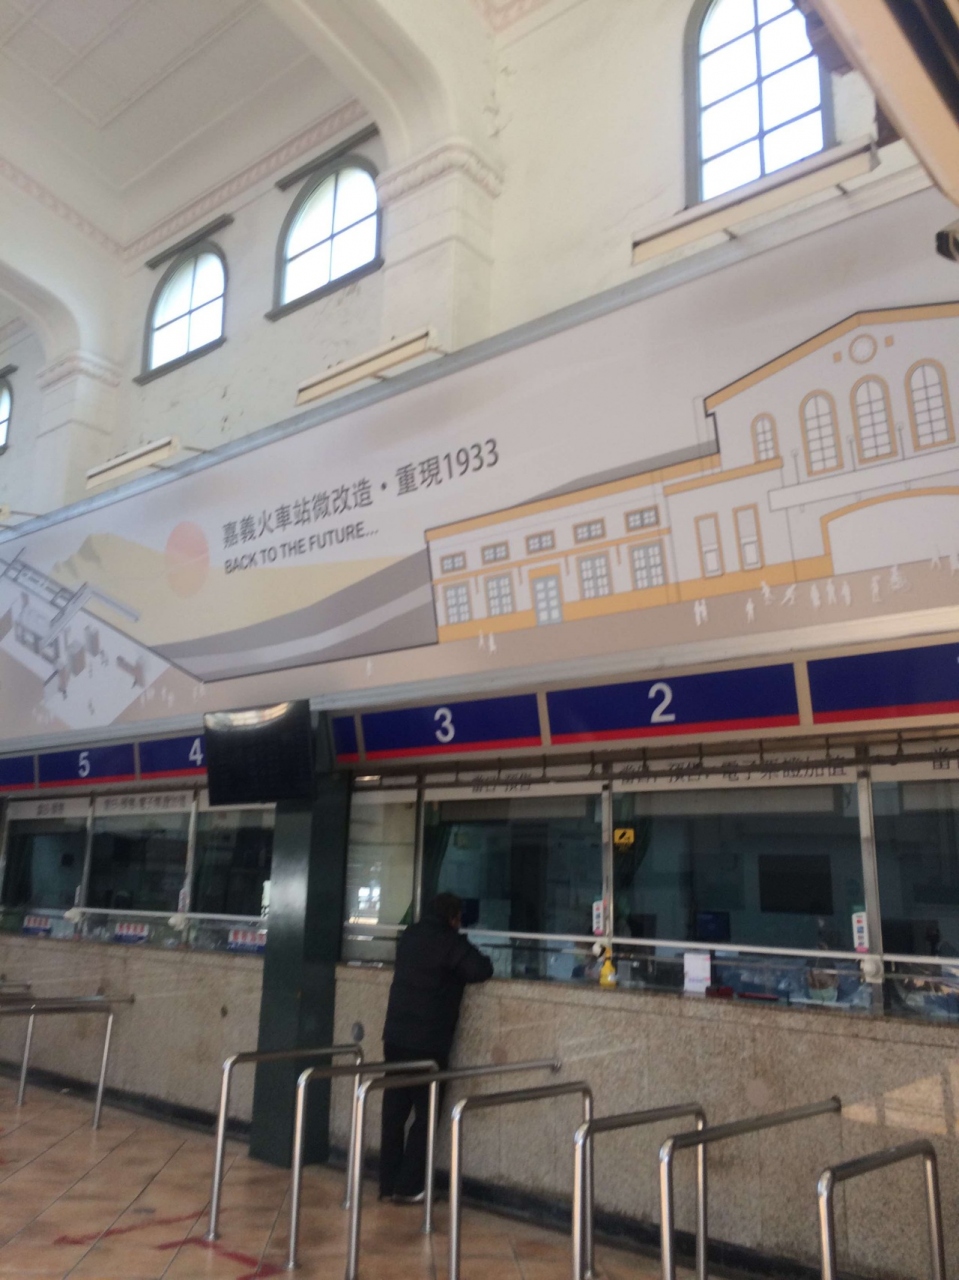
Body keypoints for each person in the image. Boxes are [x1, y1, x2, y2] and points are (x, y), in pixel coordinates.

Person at [379, 892, 493, 1202]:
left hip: (395, 1037)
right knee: (425, 1117)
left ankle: (387, 1182)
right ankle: (409, 1187)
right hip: (427, 1043)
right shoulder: (449, 942)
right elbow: (480, 969)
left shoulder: (410, 936)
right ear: (454, 918)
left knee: (394, 1113)